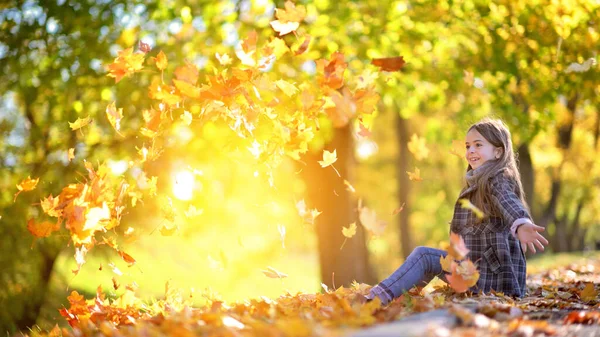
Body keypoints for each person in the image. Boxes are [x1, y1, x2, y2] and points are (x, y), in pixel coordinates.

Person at [366, 118, 549, 305]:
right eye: (468, 146)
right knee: (432, 261)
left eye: (478, 145)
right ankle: (398, 298)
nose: (470, 151)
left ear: (498, 151)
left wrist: (521, 223)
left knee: (424, 256)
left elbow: (508, 202)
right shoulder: (475, 184)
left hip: (490, 281)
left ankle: (376, 298)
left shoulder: (497, 179)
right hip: (474, 274)